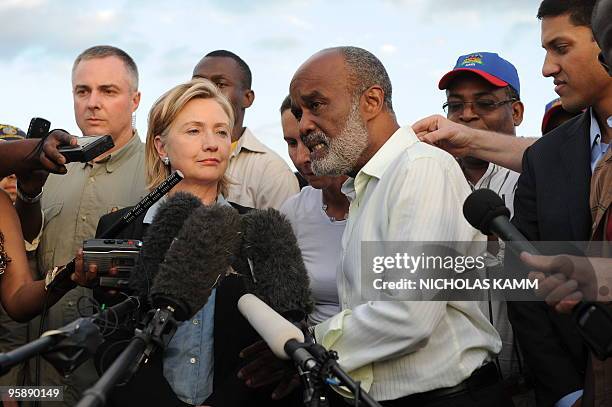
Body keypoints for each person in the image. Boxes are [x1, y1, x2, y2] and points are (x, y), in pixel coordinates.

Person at [245, 46, 508, 406]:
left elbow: (409, 312)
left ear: (370, 101)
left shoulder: (421, 168)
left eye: (316, 105)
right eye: (298, 111)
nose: (304, 124)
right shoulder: (366, 188)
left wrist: (307, 349)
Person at [92, 78, 300, 407]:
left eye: (221, 131)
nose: (212, 143)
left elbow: (271, 346)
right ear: (161, 147)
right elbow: (110, 339)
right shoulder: (121, 228)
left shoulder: (259, 229)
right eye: (194, 131)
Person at [14, 45, 147, 406]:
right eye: (82, 91)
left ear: (134, 101)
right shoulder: (52, 169)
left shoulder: (157, 174)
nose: (92, 102)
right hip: (41, 379)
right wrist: (27, 195)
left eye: (108, 91)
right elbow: (23, 260)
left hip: (114, 381)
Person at [437, 52, 535, 405]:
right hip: (458, 390)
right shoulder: (432, 181)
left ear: (518, 112)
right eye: (455, 105)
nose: (466, 115)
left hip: (535, 387)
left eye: (485, 103)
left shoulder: (539, 174)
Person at [192, 50, 299, 210]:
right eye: (197, 84)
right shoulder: (174, 155)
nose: (205, 91)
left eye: (220, 84)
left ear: (247, 98)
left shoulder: (272, 173)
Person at [278, 95, 345, 325]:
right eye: (291, 143)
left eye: (311, 140)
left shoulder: (384, 198)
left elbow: (414, 320)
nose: (302, 158)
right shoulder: (294, 211)